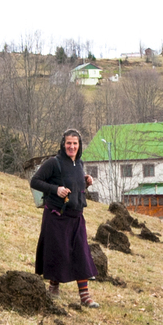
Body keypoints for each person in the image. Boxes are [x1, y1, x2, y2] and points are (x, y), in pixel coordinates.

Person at [30, 129, 99, 307]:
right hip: (56, 216)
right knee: (57, 253)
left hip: (76, 216)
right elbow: (35, 181)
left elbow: (74, 184)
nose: (72, 146)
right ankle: (53, 288)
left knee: (81, 254)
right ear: (63, 144)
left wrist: (86, 182)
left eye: (75, 143)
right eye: (69, 143)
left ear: (79, 145)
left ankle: (85, 297)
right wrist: (56, 189)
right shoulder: (54, 162)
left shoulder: (80, 163)